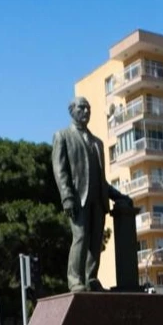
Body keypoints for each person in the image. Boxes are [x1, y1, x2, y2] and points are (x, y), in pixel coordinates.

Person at [51, 97, 132, 292]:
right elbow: (60, 170)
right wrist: (67, 197)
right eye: (82, 108)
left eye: (89, 108)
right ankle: (74, 280)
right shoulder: (63, 136)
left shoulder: (98, 143)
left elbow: (100, 179)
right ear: (72, 111)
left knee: (95, 242)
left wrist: (117, 196)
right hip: (78, 199)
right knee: (80, 237)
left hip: (98, 200)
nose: (86, 112)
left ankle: (91, 278)